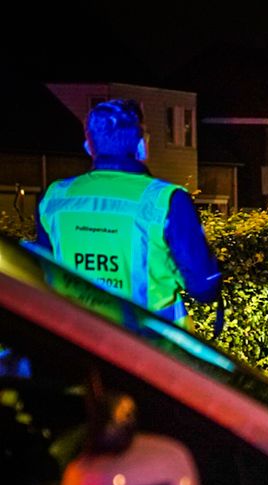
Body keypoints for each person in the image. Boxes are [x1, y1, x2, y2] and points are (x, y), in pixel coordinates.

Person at [33, 98, 220, 326]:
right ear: (142, 145)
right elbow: (203, 286)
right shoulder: (166, 199)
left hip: (78, 339)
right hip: (152, 348)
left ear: (89, 145)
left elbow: (44, 271)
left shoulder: (54, 198)